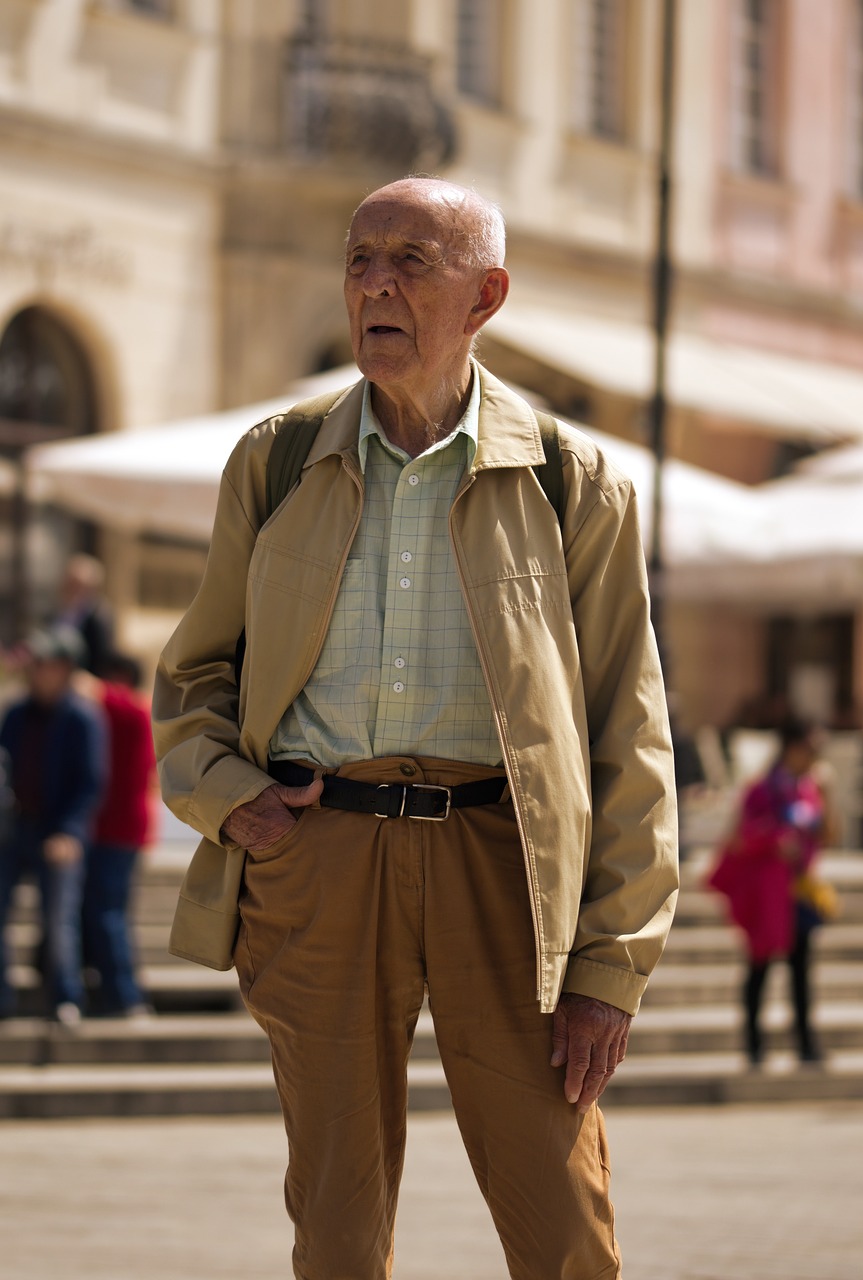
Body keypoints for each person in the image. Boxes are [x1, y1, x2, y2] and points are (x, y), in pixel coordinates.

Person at [153, 177, 678, 1279]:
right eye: (359, 260)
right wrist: (225, 793)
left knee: (561, 1216)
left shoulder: (571, 481)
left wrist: (608, 965)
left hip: (505, 861)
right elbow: (194, 672)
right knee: (335, 1220)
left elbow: (629, 736)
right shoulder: (277, 458)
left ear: (483, 295)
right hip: (317, 851)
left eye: (409, 261)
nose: (375, 285)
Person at [707, 717, 835, 1067]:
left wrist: (829, 797)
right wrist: (775, 840)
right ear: (793, 749)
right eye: (811, 749)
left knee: (801, 971)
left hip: (799, 894)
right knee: (759, 968)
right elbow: (737, 838)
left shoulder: (810, 788)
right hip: (767, 896)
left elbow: (828, 835)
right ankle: (754, 1045)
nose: (815, 757)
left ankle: (806, 1045)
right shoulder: (762, 790)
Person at [0, 625, 107, 1023]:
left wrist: (70, 831)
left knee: (59, 920)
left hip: (59, 831)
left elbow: (90, 782)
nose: (37, 670)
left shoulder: (83, 718)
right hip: (14, 829)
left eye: (45, 663)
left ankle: (65, 997)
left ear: (64, 668)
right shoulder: (16, 713)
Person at [82, 653, 156, 1017]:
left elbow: (96, 692)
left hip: (118, 831)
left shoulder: (134, 711)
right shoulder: (126, 714)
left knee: (108, 914)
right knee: (103, 912)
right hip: (116, 830)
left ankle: (125, 997)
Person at [53, 554, 116, 676]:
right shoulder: (57, 613)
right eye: (69, 584)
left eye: (78, 586)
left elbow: (102, 658)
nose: (72, 590)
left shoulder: (98, 619)